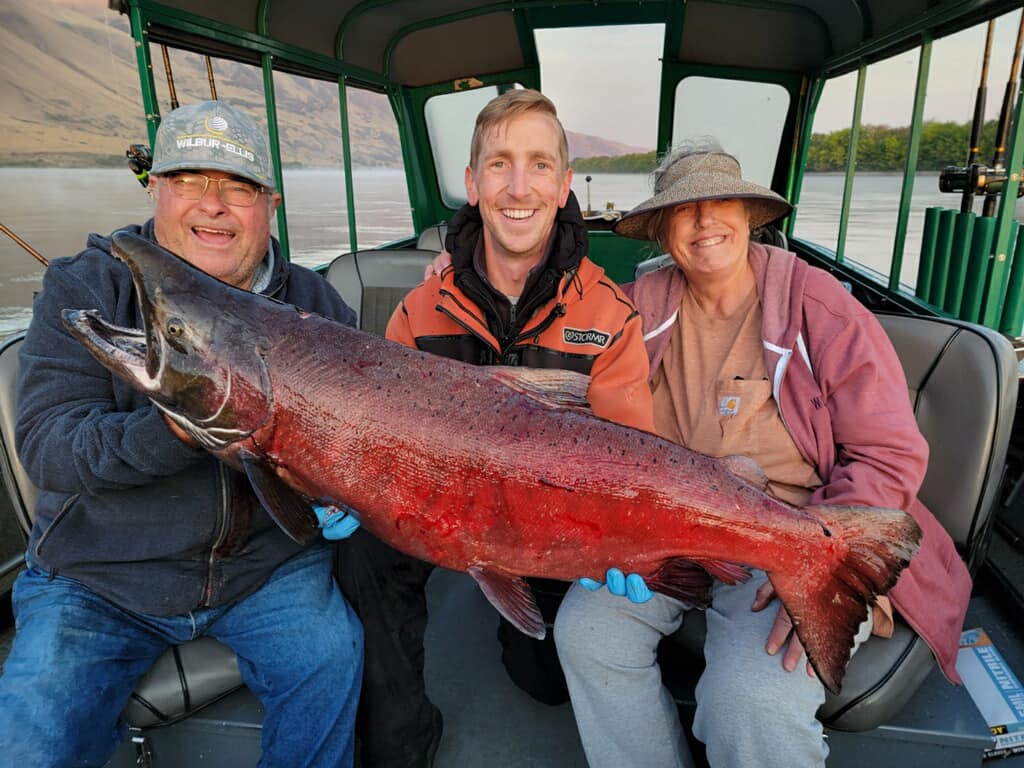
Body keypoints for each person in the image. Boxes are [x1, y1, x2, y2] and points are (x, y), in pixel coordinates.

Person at [553, 139, 972, 768]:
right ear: (662, 231)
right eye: (682, 209)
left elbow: (889, 454)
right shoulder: (636, 306)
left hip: (802, 535)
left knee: (752, 699)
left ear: (750, 216)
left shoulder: (821, 307)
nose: (704, 222)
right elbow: (562, 361)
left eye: (721, 202)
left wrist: (823, 566)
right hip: (671, 529)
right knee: (585, 634)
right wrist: (461, 262)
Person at [0, 100, 365, 767]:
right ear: (156, 190)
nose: (213, 205)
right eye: (189, 181)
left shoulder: (317, 306)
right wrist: (177, 430)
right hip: (100, 577)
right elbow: (50, 445)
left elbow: (355, 438)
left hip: (264, 569)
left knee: (330, 659)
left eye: (237, 187)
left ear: (271, 205)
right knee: (31, 738)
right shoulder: (82, 288)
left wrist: (339, 492)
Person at [334, 88, 655, 768]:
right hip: (435, 508)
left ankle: (513, 615)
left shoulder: (610, 313)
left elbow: (633, 457)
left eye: (540, 164)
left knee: (542, 686)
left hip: (549, 526)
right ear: (472, 184)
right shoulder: (419, 311)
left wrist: (625, 545)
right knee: (360, 550)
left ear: (565, 186)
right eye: (500, 164)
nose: (519, 186)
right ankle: (400, 739)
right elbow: (383, 433)